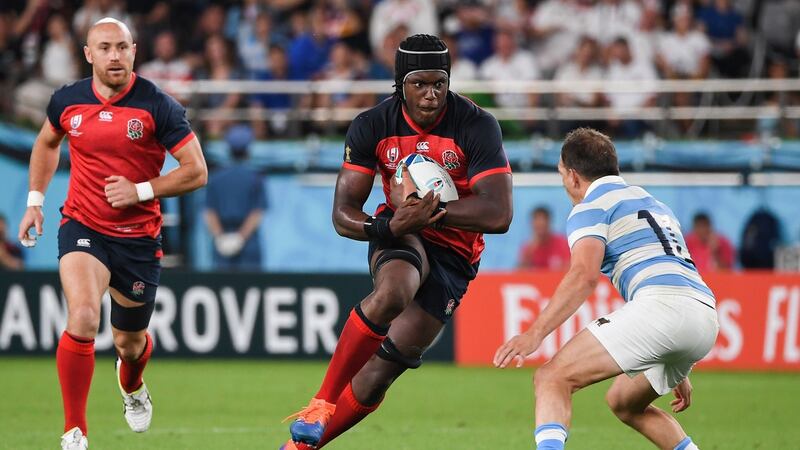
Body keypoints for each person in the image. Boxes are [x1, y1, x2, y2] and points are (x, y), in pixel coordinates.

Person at [281, 34, 513, 450]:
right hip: (399, 230)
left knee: (374, 379)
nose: (431, 95)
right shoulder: (372, 125)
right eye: (419, 84)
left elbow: (499, 213)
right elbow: (343, 212)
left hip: (456, 254)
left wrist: (432, 213)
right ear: (400, 84)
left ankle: (296, 448)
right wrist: (383, 228)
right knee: (393, 290)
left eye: (439, 83)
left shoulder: (477, 124)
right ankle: (321, 402)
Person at [16, 18, 207, 450]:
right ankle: (74, 431)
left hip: (138, 238)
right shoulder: (67, 100)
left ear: (134, 50)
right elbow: (47, 143)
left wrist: (140, 190)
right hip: (82, 224)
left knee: (130, 342)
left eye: (122, 47)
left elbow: (197, 171)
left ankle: (133, 385)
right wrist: (34, 201)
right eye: (104, 48)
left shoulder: (159, 106)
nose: (114, 56)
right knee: (83, 316)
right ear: (88, 54)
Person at [495, 128, 718, 450]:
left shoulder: (592, 206)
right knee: (625, 402)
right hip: (703, 315)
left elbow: (584, 275)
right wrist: (677, 363)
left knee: (551, 378)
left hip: (663, 309)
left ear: (572, 176)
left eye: (561, 175)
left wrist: (534, 334)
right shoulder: (654, 204)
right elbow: (668, 271)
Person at [204, 124, 266, 271]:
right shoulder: (255, 177)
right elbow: (257, 212)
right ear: (248, 149)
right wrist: (240, 238)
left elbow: (209, 212)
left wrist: (220, 238)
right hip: (248, 242)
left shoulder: (216, 177)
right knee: (250, 288)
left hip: (223, 240)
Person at [518, 206, 570, 271]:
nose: (540, 224)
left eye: (543, 221)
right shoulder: (528, 248)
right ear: (532, 224)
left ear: (549, 222)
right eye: (538, 225)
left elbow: (570, 267)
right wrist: (529, 253)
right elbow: (520, 273)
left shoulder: (562, 244)